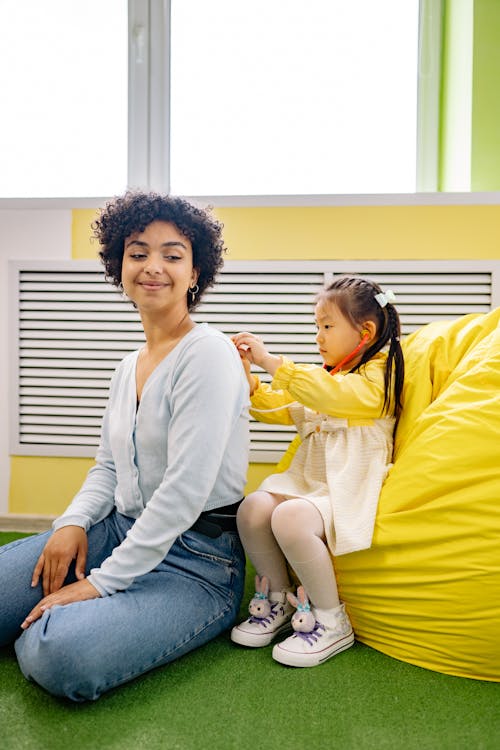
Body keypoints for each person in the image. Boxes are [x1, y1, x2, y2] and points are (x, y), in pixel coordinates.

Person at [0, 191, 250, 701]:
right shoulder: (126, 365)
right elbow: (108, 467)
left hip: (197, 562)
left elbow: (183, 492)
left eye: (172, 254)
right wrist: (72, 523)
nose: (152, 266)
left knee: (57, 651)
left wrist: (97, 584)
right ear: (120, 266)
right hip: (118, 529)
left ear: (196, 271)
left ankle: (60, 625)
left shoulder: (209, 354)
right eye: (138, 253)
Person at [230, 274, 404, 668]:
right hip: (311, 479)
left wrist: (271, 361)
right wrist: (249, 381)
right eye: (317, 327)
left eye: (327, 326)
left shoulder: (379, 376)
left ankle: (331, 619)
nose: (318, 337)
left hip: (348, 484)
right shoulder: (324, 377)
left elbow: (337, 397)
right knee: (253, 507)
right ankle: (278, 601)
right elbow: (277, 406)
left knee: (290, 518)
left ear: (365, 332)